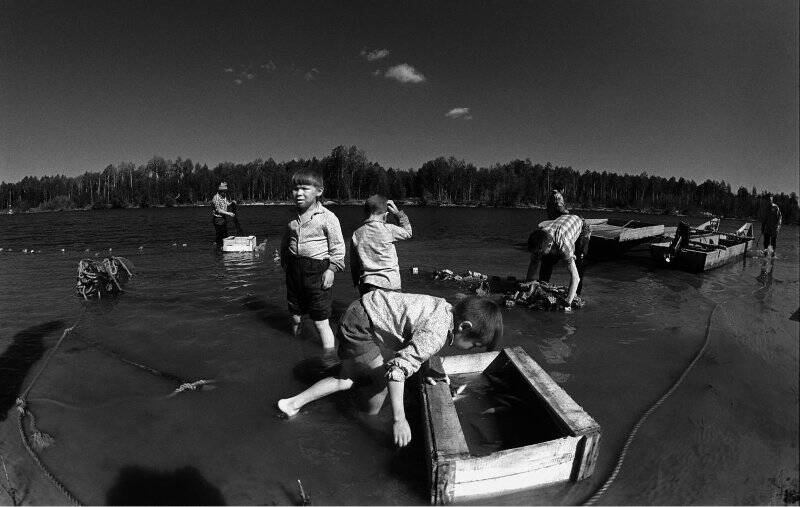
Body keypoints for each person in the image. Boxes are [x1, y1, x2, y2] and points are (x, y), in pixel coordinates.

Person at [277, 292, 503, 447]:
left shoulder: (445, 309)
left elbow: (418, 340)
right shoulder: (437, 334)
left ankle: (292, 404)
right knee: (381, 382)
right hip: (361, 327)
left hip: (359, 310)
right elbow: (396, 371)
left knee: (345, 380)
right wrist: (399, 419)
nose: (470, 350)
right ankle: (366, 419)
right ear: (464, 327)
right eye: (474, 344)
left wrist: (424, 367)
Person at [280, 169, 345, 351]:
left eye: (304, 188)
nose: (298, 193)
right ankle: (295, 348)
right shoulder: (291, 215)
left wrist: (332, 269)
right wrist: (284, 259)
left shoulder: (328, 217)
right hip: (294, 270)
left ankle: (329, 358)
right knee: (295, 316)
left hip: (318, 271)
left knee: (320, 321)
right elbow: (286, 240)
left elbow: (338, 247)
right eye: (295, 189)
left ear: (319, 191)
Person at [350, 195, 413, 296]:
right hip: (390, 284)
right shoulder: (388, 229)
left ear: (365, 213)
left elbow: (354, 264)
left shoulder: (357, 234)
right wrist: (397, 213)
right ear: (386, 215)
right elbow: (408, 232)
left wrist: (356, 284)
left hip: (367, 284)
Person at [526, 214, 591, 306]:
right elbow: (534, 263)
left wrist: (568, 302)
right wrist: (528, 284)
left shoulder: (563, 245)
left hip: (582, 229)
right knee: (546, 260)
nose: (538, 254)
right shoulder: (540, 239)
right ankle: (543, 287)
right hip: (562, 225)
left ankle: (576, 294)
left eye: (539, 252)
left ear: (549, 246)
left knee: (579, 262)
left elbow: (575, 277)